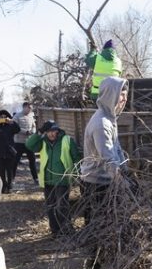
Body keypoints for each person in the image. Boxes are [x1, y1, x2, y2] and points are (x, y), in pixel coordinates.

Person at [80, 75, 129, 224]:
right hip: (96, 183)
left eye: (126, 95)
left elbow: (117, 148)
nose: (124, 99)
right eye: (121, 95)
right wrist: (120, 181)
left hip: (106, 179)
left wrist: (125, 169)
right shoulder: (102, 123)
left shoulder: (110, 119)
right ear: (110, 95)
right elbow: (108, 158)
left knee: (109, 224)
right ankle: (92, 248)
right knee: (96, 226)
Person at [26, 120, 82, 237]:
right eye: (48, 132)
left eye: (54, 131)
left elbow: (76, 158)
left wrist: (77, 175)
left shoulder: (67, 140)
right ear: (46, 133)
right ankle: (55, 231)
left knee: (62, 206)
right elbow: (29, 145)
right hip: (48, 180)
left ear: (58, 131)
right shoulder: (42, 142)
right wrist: (39, 132)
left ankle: (67, 231)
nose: (51, 134)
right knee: (50, 207)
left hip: (62, 179)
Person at [0, 110, 21, 193]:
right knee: (1, 170)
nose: (3, 118)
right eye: (1, 117)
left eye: (5, 117)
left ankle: (10, 186)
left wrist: (12, 122)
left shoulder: (10, 126)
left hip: (10, 150)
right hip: (0, 150)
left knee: (10, 170)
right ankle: (3, 185)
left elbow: (18, 129)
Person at [14, 102, 38, 183]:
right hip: (19, 142)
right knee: (15, 161)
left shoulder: (31, 116)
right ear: (24, 107)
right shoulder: (17, 116)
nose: (30, 109)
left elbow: (34, 126)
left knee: (32, 161)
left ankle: (35, 178)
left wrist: (33, 131)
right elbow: (15, 128)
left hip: (29, 143)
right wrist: (26, 132)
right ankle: (12, 178)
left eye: (31, 108)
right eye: (29, 108)